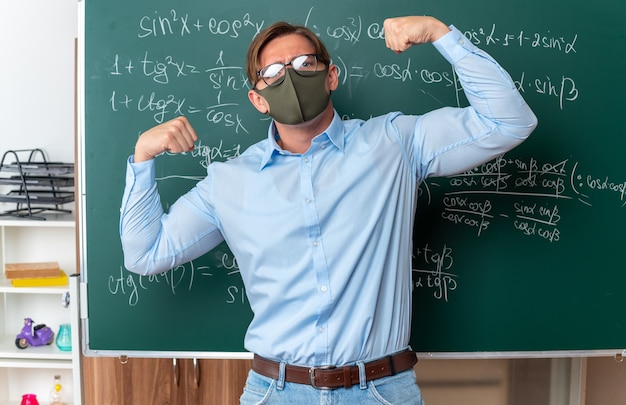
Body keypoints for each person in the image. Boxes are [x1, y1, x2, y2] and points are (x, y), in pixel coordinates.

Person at [120, 15, 537, 404]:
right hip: (276, 392)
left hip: (381, 390)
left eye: (304, 62)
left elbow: (509, 122)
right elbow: (146, 254)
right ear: (258, 99)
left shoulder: (394, 144)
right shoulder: (228, 182)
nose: (291, 76)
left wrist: (439, 32)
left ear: (331, 75)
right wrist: (142, 158)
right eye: (273, 73)